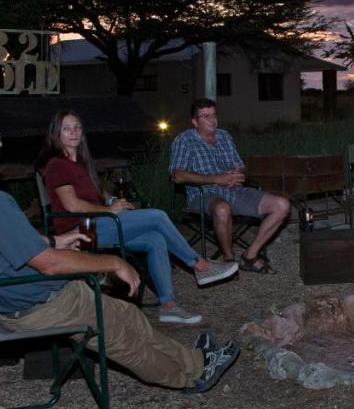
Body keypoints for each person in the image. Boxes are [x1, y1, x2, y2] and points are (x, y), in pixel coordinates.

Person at [0, 104, 239, 394]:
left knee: (128, 313)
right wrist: (112, 263)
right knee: (121, 338)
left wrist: (54, 241)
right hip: (38, 303)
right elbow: (49, 265)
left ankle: (196, 358)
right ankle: (192, 377)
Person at [37, 110, 237, 325]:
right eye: (66, 128)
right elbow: (72, 205)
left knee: (155, 239)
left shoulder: (80, 162)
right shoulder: (57, 164)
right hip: (82, 229)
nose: (73, 132)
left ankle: (168, 306)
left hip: (98, 222)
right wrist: (110, 211)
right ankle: (200, 266)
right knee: (157, 217)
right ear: (56, 133)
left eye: (76, 127)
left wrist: (112, 200)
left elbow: (94, 194)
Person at [168, 98, 291, 274]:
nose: (212, 119)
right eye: (205, 116)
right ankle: (229, 258)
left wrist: (239, 174)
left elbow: (240, 165)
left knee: (282, 205)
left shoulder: (224, 136)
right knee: (222, 208)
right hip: (202, 195)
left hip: (234, 190)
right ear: (194, 122)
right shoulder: (184, 140)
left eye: (213, 114)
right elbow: (177, 176)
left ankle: (250, 256)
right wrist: (216, 179)